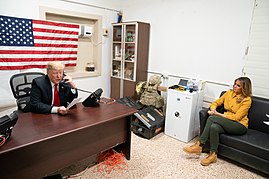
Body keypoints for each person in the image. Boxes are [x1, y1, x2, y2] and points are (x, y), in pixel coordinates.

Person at [183, 77, 252, 166]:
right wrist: (213, 109)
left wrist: (217, 114)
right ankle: (213, 155)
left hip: (239, 125)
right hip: (227, 121)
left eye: (238, 85)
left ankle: (199, 144)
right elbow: (215, 103)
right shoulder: (229, 93)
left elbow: (236, 117)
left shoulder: (247, 100)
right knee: (214, 127)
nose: (235, 86)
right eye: (235, 84)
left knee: (212, 118)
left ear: (244, 88)